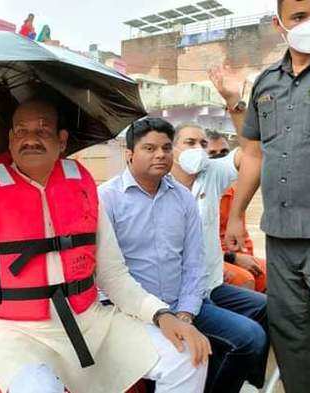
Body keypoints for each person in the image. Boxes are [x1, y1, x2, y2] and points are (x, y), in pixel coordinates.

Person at [0, 99, 210, 393]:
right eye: (21, 131)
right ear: (10, 139)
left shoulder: (83, 186)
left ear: (62, 140)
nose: (30, 138)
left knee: (186, 356)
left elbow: (114, 276)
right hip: (14, 332)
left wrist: (161, 314)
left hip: (89, 321)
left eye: (43, 129)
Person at [210, 0, 310, 391]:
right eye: (299, 16)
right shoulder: (267, 83)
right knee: (292, 340)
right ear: (279, 24)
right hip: (280, 236)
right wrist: (236, 215)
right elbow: (255, 154)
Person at [99, 118, 267, 393]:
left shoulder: (183, 198)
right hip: (132, 311)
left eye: (166, 148)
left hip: (184, 305)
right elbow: (108, 273)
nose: (160, 155)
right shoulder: (107, 198)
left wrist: (186, 314)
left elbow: (193, 263)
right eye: (150, 148)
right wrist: (161, 316)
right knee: (183, 352)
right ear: (129, 154)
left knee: (250, 338)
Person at [206, 131, 267, 293]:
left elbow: (242, 238)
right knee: (245, 279)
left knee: (276, 273)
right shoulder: (195, 193)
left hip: (234, 256)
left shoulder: (234, 192)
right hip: (213, 260)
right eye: (212, 154)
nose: (219, 158)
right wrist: (234, 258)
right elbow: (200, 246)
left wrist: (248, 258)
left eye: (224, 153)